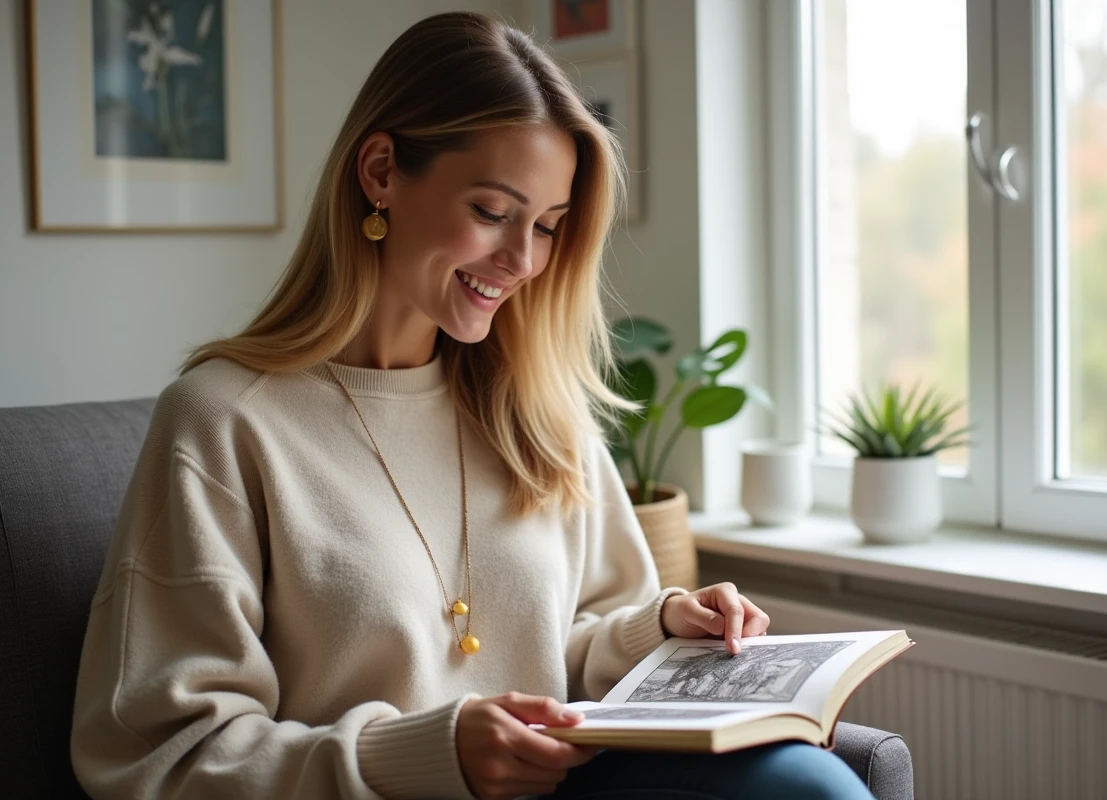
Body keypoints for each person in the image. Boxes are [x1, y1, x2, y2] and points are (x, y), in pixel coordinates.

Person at [70, 11, 875, 800]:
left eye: (549, 226)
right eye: (492, 213)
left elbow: (569, 641)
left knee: (811, 785)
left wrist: (661, 628)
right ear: (381, 171)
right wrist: (416, 755)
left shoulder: (536, 407)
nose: (522, 260)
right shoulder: (223, 422)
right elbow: (160, 754)